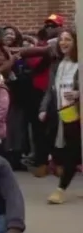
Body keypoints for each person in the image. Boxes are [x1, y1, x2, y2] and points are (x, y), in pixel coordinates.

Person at [38, 29, 80, 204]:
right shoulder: (56, 65)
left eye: (68, 39)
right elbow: (50, 90)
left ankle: (60, 189)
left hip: (77, 114)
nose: (63, 42)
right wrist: (43, 108)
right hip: (61, 114)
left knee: (72, 151)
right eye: (61, 40)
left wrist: (78, 94)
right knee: (71, 150)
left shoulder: (80, 63)